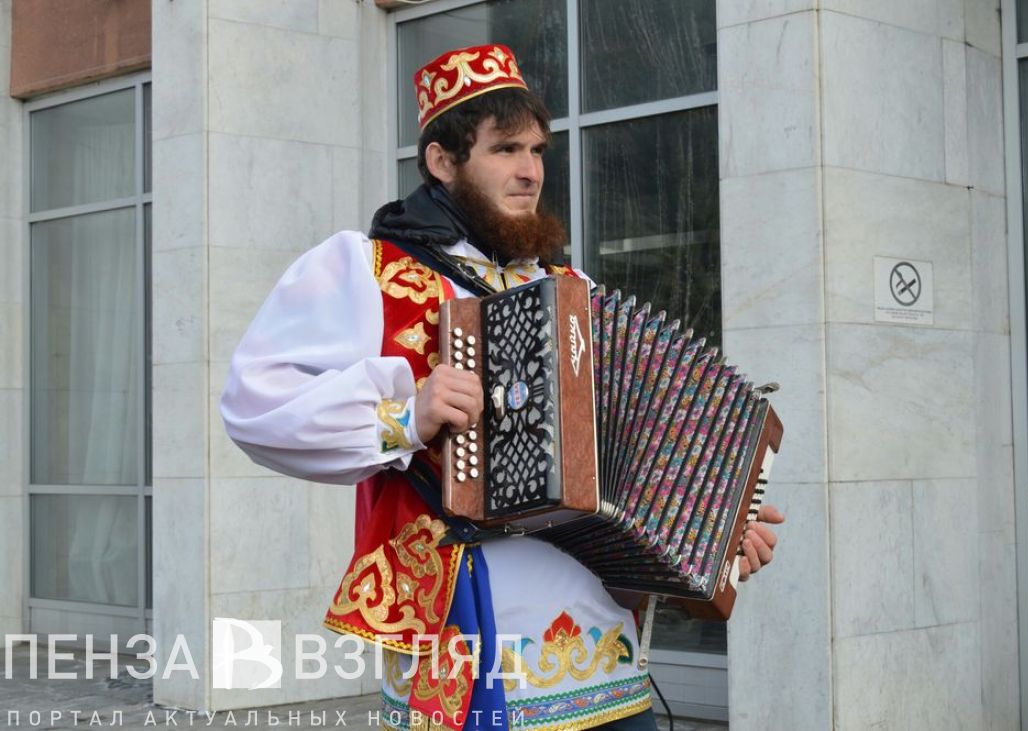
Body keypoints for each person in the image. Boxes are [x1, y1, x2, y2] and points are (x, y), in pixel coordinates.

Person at [220, 44, 783, 731]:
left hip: (601, 641)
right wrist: (404, 415)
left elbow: (632, 446)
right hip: (470, 632)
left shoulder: (570, 291)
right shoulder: (367, 270)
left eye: (538, 151)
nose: (530, 171)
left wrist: (718, 527)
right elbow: (254, 405)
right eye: (506, 149)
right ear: (442, 162)